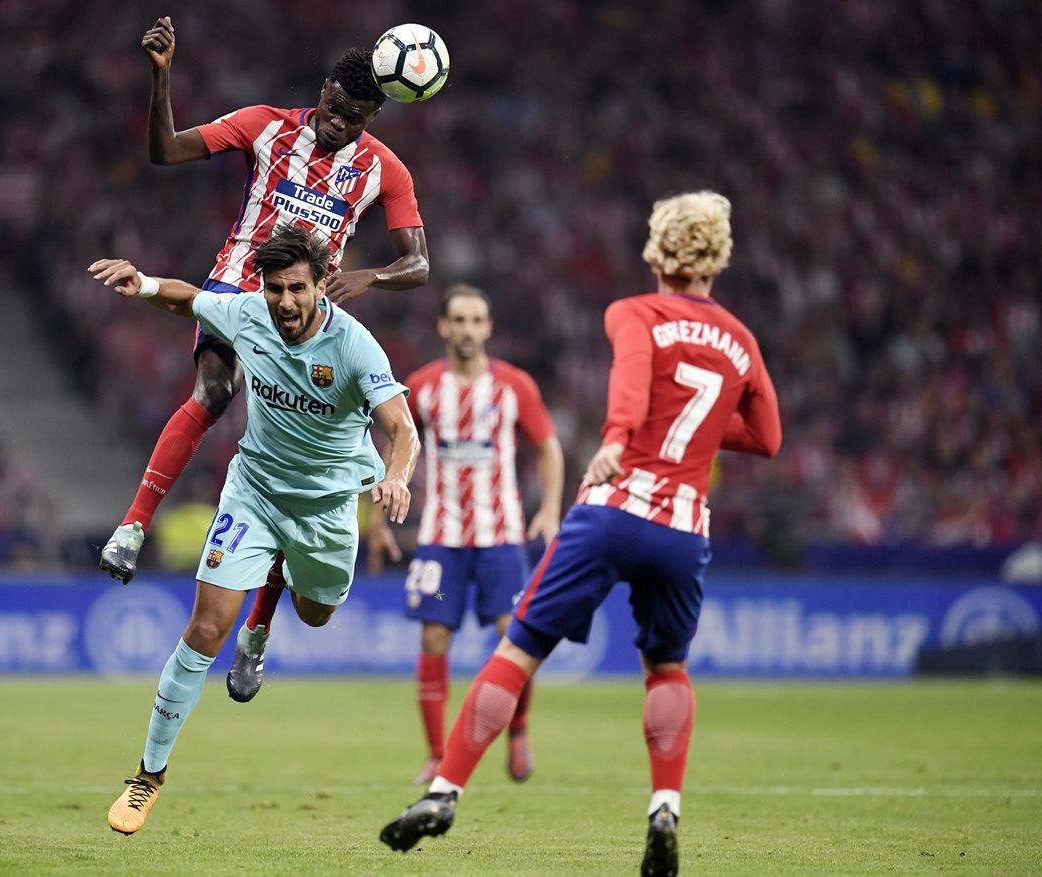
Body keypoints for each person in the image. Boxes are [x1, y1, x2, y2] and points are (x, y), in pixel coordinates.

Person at [378, 191, 782, 877]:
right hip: (683, 527)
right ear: (719, 255)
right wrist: (705, 434)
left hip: (612, 508)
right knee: (666, 666)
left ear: (657, 250)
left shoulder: (634, 312)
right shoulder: (742, 340)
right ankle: (664, 806)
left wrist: (621, 438)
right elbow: (768, 438)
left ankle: (445, 790)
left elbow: (628, 384)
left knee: (519, 648)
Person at [89, 224, 421, 835]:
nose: (286, 303)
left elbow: (403, 428)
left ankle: (261, 627)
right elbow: (188, 298)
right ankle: (148, 775)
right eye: (275, 290)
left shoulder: (355, 346)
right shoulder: (249, 315)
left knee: (317, 613)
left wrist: (396, 477)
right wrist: (143, 285)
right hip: (256, 492)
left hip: (325, 512)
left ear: (322, 285)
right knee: (205, 628)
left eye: (298, 288)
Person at [99, 16, 429, 599]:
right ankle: (132, 525)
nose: (334, 123)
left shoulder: (386, 170)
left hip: (311, 310)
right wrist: (162, 79)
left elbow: (419, 264)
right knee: (215, 391)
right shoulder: (265, 125)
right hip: (240, 283)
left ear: (371, 119)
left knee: (297, 460)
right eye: (330, 107)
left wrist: (370, 276)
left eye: (351, 119)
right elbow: (166, 151)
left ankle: (258, 626)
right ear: (322, 90)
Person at [368, 283, 563, 785]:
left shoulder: (514, 386)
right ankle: (437, 754)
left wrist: (551, 510)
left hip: (502, 540)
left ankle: (518, 730)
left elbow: (548, 447)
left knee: (512, 637)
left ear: (489, 328)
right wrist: (374, 519)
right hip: (441, 541)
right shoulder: (423, 386)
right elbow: (391, 442)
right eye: (459, 320)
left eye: (477, 320)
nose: (468, 329)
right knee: (434, 638)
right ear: (443, 326)